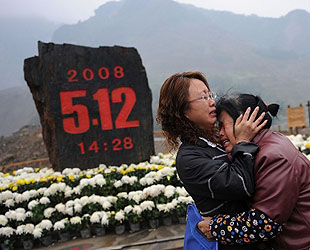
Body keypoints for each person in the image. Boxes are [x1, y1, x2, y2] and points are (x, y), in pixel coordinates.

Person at [156, 72, 281, 250]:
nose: (212, 101)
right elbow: (241, 185)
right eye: (203, 97)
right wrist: (243, 142)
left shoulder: (216, 138)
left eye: (210, 94)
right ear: (183, 111)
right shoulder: (189, 158)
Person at [198, 94, 310, 250]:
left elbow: (266, 223)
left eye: (223, 125)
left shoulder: (273, 156)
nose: (220, 133)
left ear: (245, 121)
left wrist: (215, 227)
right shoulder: (261, 147)